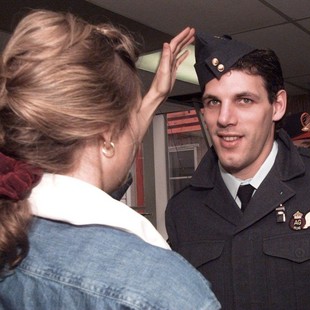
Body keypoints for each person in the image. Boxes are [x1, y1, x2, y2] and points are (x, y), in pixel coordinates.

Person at [0, 10, 220, 309]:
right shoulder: (163, 288)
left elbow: (91, 182)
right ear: (107, 134)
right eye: (130, 118)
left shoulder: (13, 235)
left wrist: (154, 96)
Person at [166, 31, 310, 309]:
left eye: (244, 100)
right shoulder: (184, 210)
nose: (225, 119)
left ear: (277, 106)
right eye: (213, 102)